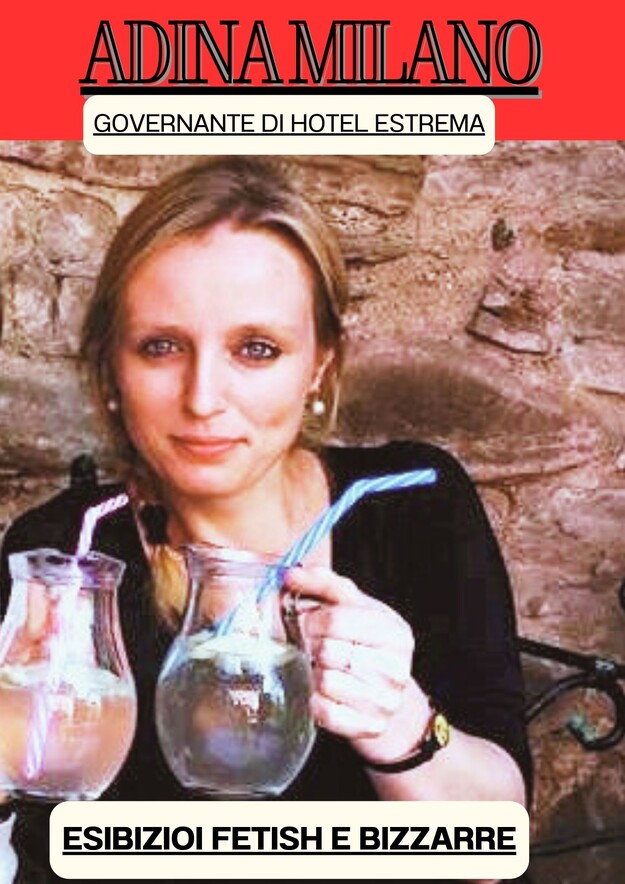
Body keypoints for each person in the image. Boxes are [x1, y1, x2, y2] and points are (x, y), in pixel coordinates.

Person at [0, 157, 531, 882]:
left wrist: (398, 722)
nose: (203, 398)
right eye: (161, 346)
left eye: (256, 349)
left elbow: (494, 852)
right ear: (111, 369)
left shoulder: (413, 505)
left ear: (319, 366)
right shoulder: (67, 553)